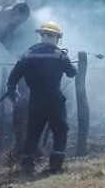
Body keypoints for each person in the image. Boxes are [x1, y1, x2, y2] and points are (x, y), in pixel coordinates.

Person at [7, 21, 77, 174]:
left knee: (33, 132)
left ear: (41, 36)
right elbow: (72, 73)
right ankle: (55, 165)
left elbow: (13, 76)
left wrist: (12, 90)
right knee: (60, 130)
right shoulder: (60, 55)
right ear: (57, 37)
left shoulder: (28, 54)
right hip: (54, 98)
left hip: (35, 99)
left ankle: (27, 165)